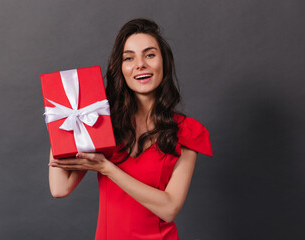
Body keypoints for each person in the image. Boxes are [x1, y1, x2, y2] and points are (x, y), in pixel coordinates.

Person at [48, 18, 213, 240]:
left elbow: (169, 208)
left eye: (150, 55)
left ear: (164, 62)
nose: (140, 64)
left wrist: (108, 169)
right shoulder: (103, 126)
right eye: (129, 58)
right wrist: (66, 118)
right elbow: (60, 188)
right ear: (121, 68)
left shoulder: (188, 132)